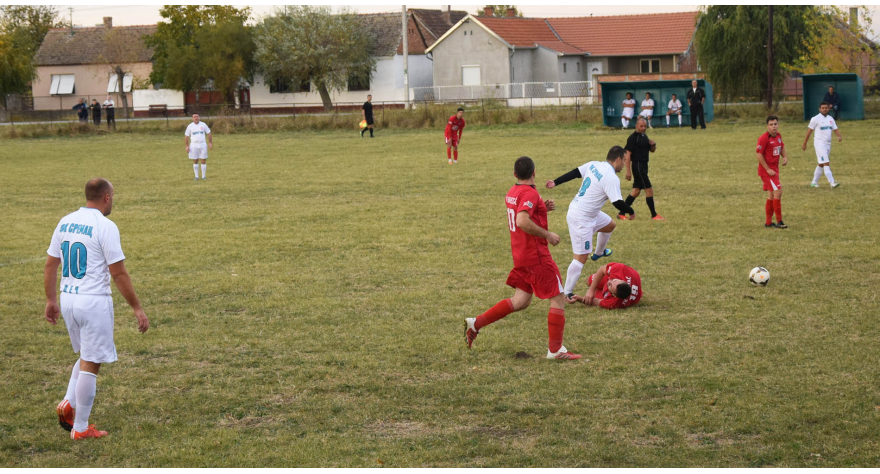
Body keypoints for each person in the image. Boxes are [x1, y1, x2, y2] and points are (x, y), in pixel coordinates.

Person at [45, 178, 148, 440]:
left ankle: (69, 402)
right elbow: (118, 272)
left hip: (68, 299)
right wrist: (137, 307)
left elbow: (50, 265)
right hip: (93, 302)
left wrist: (51, 301)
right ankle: (80, 427)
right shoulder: (105, 226)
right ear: (106, 197)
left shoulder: (65, 220)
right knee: (92, 363)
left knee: (86, 355)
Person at [464, 156, 582, 361]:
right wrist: (548, 234)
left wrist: (542, 207)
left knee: (521, 301)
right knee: (558, 297)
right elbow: (521, 220)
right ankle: (555, 350)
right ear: (534, 172)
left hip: (520, 256)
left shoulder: (513, 192)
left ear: (515, 174)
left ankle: (475, 323)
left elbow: (522, 210)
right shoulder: (529, 193)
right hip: (536, 256)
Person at [545, 146, 635, 302]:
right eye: (625, 161)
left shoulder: (594, 165)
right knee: (580, 257)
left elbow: (575, 173)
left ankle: (599, 253)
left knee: (610, 225)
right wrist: (630, 210)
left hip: (585, 211)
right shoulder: (611, 177)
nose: (625, 164)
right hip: (582, 218)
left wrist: (556, 182)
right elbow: (618, 203)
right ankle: (567, 293)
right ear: (618, 159)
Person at [620, 117, 664, 221]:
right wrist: (628, 171)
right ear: (636, 126)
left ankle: (621, 213)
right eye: (641, 126)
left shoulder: (644, 136)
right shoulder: (633, 138)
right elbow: (628, 155)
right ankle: (654, 215)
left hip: (644, 166)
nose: (644, 128)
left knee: (635, 191)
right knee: (649, 190)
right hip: (638, 166)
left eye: (645, 126)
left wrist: (653, 145)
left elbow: (652, 150)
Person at [756, 115, 788, 228]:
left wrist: (784, 157)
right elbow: (759, 154)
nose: (774, 127)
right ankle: (779, 221)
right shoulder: (764, 138)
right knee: (778, 192)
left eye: (775, 124)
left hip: (775, 170)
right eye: (771, 125)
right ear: (767, 126)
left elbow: (781, 147)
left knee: (771, 194)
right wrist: (768, 169)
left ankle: (768, 222)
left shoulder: (778, 136)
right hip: (767, 172)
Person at [803, 101, 843, 188]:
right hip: (819, 144)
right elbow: (809, 132)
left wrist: (839, 136)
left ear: (829, 108)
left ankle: (814, 182)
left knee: (821, 164)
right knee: (826, 162)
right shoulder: (815, 119)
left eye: (826, 108)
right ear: (820, 109)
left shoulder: (830, 119)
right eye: (823, 108)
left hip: (828, 144)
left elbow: (835, 129)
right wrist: (805, 143)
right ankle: (832, 182)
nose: (824, 109)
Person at [571, 262, 642, 309]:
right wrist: (591, 290)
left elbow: (596, 302)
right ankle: (597, 288)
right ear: (623, 281)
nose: (609, 282)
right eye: (614, 280)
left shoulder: (614, 302)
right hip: (630, 277)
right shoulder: (620, 269)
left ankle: (600, 290)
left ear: (614, 296)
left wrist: (578, 298)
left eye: (610, 286)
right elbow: (602, 269)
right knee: (589, 281)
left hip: (629, 294)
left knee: (592, 297)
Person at [185, 114, 212, 181]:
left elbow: (209, 133)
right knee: (195, 160)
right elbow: (186, 136)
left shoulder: (203, 124)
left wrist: (210, 143)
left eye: (197, 117)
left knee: (203, 160)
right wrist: (187, 146)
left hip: (202, 144)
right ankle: (196, 176)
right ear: (192, 118)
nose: (196, 118)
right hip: (194, 145)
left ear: (199, 117)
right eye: (194, 117)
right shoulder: (190, 126)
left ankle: (203, 176)